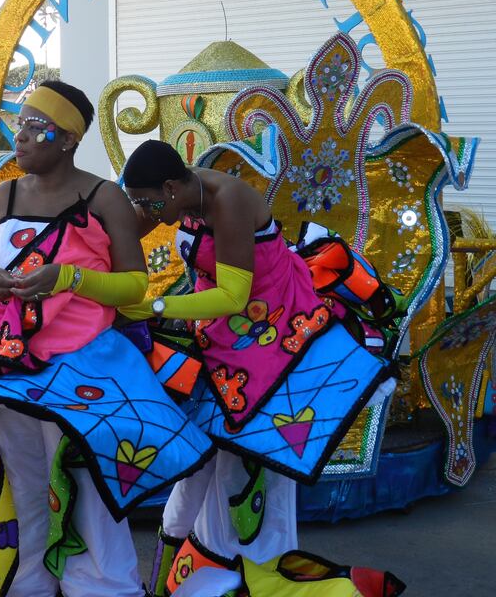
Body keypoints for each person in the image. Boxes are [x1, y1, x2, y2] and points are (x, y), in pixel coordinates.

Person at [0, 84, 212, 597]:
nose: (19, 138)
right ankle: (25, 586)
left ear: (67, 139)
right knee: (19, 484)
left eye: (34, 128)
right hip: (11, 362)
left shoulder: (102, 196)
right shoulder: (6, 195)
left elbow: (134, 286)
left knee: (86, 485)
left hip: (84, 367)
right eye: (19, 125)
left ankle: (104, 588)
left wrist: (69, 279)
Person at [120, 139, 399, 596]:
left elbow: (235, 297)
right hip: (221, 336)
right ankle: (184, 571)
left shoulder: (228, 200)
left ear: (170, 188)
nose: (143, 211)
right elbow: (122, 227)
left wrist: (154, 305)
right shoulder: (175, 199)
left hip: (270, 331)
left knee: (245, 459)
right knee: (201, 462)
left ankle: (254, 573)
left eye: (146, 201)